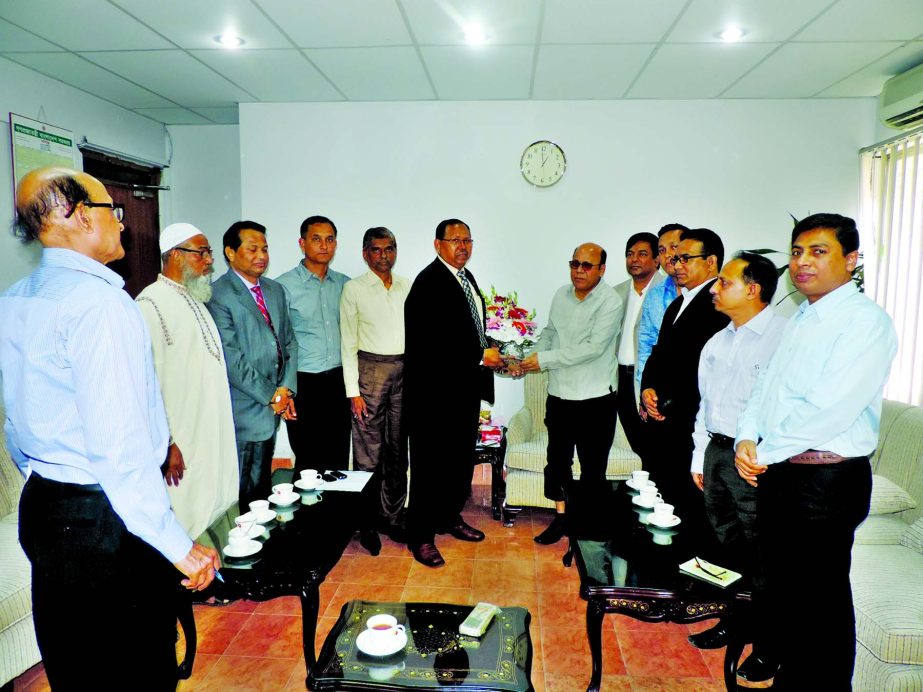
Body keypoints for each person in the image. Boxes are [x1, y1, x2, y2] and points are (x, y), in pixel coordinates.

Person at [0, 167, 218, 689]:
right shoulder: (101, 305)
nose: (121, 224)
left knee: (78, 668)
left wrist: (49, 481)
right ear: (72, 216)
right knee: (136, 669)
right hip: (105, 524)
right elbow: (119, 451)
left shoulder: (16, 297)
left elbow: (16, 422)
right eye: (110, 211)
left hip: (47, 509)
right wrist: (177, 546)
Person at [735, 213, 897, 690]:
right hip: (782, 472)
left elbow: (828, 409)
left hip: (826, 482)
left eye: (818, 251)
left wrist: (763, 449)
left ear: (852, 259)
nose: (802, 262)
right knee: (786, 596)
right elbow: (765, 387)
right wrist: (747, 436)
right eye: (797, 251)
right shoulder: (801, 316)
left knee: (820, 608)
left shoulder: (865, 323)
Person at [686, 252, 787, 684]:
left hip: (759, 461)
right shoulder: (718, 341)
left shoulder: (784, 337)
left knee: (766, 557)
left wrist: (766, 454)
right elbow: (705, 406)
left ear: (753, 288)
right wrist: (699, 456)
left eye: (723, 281)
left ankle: (769, 647)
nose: (714, 288)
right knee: (727, 549)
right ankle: (736, 623)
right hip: (718, 452)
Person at [404, 218, 501, 567]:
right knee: (431, 466)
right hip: (433, 395)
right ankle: (421, 536)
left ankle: (449, 517)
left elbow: (468, 328)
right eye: (454, 240)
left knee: (458, 461)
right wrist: (478, 354)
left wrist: (490, 346)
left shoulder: (465, 278)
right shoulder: (428, 283)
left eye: (467, 240)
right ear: (437, 244)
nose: (462, 246)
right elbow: (427, 344)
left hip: (463, 390)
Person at [136, 222, 239, 538]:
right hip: (182, 436)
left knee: (215, 499)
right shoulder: (149, 305)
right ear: (175, 255)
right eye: (202, 253)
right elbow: (145, 383)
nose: (210, 260)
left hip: (210, 427)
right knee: (186, 509)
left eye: (208, 253)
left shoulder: (196, 298)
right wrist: (166, 444)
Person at [519, 243, 623, 545]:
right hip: (560, 395)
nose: (579, 270)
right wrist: (530, 356)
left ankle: (587, 530)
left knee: (593, 468)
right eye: (574, 263)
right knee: (557, 463)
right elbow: (551, 333)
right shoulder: (561, 295)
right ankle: (561, 520)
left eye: (587, 265)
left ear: (602, 269)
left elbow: (592, 349)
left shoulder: (610, 301)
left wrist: (544, 360)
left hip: (595, 399)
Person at [208, 221, 298, 510]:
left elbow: (289, 343)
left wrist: (286, 388)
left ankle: (262, 546)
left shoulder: (274, 290)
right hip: (244, 409)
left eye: (265, 249)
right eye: (252, 248)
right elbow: (231, 358)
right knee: (243, 490)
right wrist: (272, 395)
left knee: (261, 487)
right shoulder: (218, 294)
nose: (261, 255)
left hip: (273, 404)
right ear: (230, 252)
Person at [640, 228, 729, 519]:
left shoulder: (719, 307)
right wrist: (648, 390)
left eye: (685, 259)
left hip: (689, 421)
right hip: (663, 418)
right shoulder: (678, 303)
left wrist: (669, 403)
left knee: (686, 504)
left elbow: (704, 370)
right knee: (663, 497)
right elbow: (658, 353)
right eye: (674, 259)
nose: (676, 266)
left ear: (711, 262)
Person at [340, 227, 411, 554]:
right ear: (366, 253)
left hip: (404, 372)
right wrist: (353, 391)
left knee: (397, 451)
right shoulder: (354, 289)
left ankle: (393, 517)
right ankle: (366, 522)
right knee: (369, 452)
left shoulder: (406, 286)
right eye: (377, 250)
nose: (384, 255)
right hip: (369, 371)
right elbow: (348, 343)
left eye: (389, 249)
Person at [277, 216, 351, 473]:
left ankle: (334, 513)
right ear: (302, 243)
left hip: (338, 383)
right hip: (303, 384)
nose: (324, 245)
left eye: (329, 239)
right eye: (316, 239)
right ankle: (309, 515)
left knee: (338, 458)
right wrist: (285, 390)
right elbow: (278, 342)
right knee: (309, 461)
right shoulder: (283, 286)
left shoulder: (345, 284)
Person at [613, 232, 661, 454]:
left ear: (656, 259)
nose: (634, 259)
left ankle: (656, 488)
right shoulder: (617, 293)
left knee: (654, 443)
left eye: (642, 254)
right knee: (636, 441)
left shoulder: (666, 291)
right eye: (630, 254)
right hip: (620, 379)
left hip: (650, 381)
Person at [634, 223, 687, 388]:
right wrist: (645, 388)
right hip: (659, 388)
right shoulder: (655, 294)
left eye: (674, 247)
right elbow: (646, 343)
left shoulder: (709, 293)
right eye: (662, 250)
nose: (668, 255)